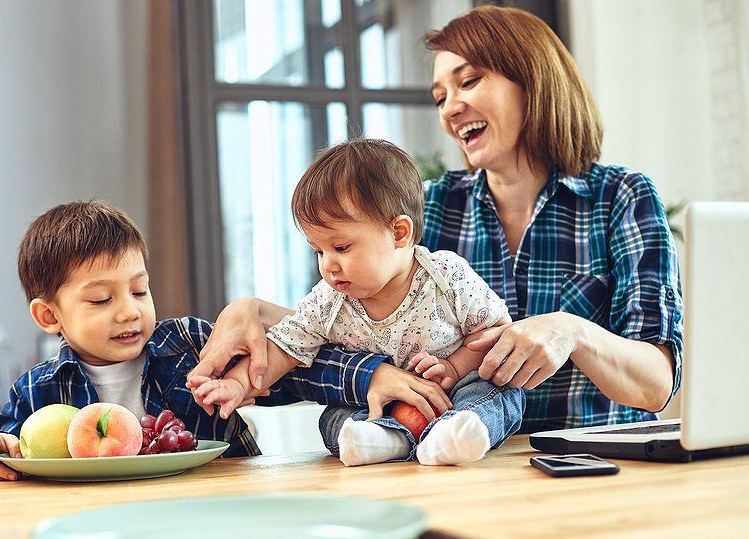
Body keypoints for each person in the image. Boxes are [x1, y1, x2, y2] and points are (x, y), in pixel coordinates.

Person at [189, 5, 683, 445]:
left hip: (587, 467)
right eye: (440, 94)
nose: (449, 108)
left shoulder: (621, 198)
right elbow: (324, 335)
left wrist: (573, 331)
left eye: (468, 82)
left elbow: (656, 385)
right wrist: (260, 314)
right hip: (450, 474)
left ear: (533, 83)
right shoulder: (433, 206)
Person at [0, 201, 383, 480]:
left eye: (139, 291)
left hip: (222, 510)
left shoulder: (191, 344)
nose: (129, 311)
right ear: (49, 315)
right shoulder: (37, 391)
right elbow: (0, 457)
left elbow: (295, 367)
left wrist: (370, 375)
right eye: (101, 299)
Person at [190, 139, 523, 466]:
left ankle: (458, 434)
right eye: (318, 251)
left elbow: (494, 332)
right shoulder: (328, 299)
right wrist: (235, 384)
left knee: (502, 393)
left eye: (342, 247)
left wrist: (453, 368)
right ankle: (386, 438)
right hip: (380, 404)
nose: (328, 265)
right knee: (333, 418)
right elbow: (282, 348)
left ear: (399, 233)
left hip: (456, 392)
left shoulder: (445, 274)